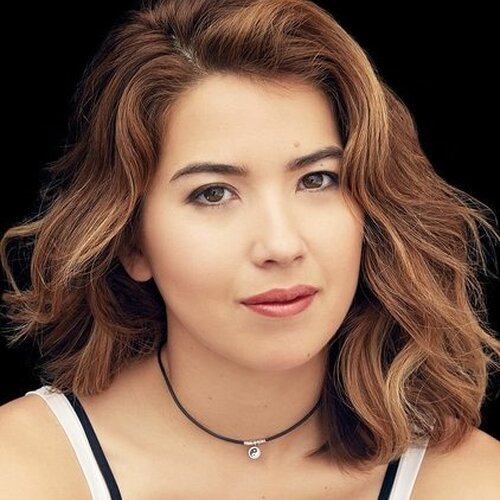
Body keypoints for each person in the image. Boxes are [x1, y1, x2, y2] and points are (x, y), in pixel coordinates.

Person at [1, 0, 499, 498]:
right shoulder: (23, 467)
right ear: (132, 242)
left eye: (317, 179)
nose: (281, 245)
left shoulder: (471, 480)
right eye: (213, 193)